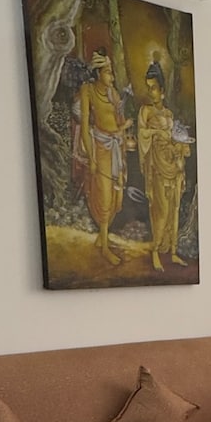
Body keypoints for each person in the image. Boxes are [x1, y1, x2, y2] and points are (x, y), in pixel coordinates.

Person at [72, 53, 131, 265]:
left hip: (116, 146)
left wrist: (124, 128)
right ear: (98, 73)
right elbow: (85, 125)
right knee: (104, 195)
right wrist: (92, 157)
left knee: (116, 197)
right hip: (100, 146)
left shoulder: (112, 93)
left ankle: (102, 237)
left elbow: (118, 121)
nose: (111, 77)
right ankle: (105, 248)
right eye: (107, 72)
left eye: (112, 73)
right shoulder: (87, 90)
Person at [136, 75, 192, 269]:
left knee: (174, 211)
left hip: (172, 163)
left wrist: (180, 147)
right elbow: (142, 133)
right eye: (148, 88)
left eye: (153, 88)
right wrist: (156, 133)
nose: (150, 92)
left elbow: (174, 136)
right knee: (162, 211)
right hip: (157, 166)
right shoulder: (145, 111)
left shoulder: (168, 113)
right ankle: (155, 251)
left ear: (162, 91)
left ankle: (173, 252)